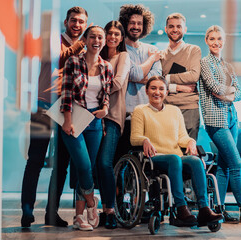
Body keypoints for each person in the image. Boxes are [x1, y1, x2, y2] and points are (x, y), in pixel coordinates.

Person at [20, 6, 88, 228]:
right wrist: (81, 44)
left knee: (62, 165)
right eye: (74, 20)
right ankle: (27, 211)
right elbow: (59, 58)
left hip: (67, 108)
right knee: (36, 160)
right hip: (43, 104)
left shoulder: (84, 48)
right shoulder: (52, 40)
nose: (77, 25)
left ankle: (52, 213)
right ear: (66, 21)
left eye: (81, 22)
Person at [130, 76, 223, 227]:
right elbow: (134, 138)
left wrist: (191, 141)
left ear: (166, 92)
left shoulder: (174, 111)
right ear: (146, 91)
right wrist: (144, 140)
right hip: (155, 157)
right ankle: (181, 208)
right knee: (174, 158)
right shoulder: (140, 111)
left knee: (195, 160)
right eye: (153, 88)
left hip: (176, 158)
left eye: (161, 89)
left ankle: (204, 209)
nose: (157, 92)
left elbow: (182, 138)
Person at [60, 25, 112, 231]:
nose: (96, 41)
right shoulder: (73, 62)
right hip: (74, 119)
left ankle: (79, 216)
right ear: (85, 39)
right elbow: (65, 92)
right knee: (82, 165)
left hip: (95, 121)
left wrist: (105, 109)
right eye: (92, 37)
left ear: (104, 41)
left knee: (88, 169)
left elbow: (106, 92)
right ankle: (92, 202)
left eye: (100, 37)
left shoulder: (106, 66)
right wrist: (67, 119)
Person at [199, 25, 241, 224]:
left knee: (224, 166)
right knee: (236, 163)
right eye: (211, 38)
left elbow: (240, 92)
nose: (216, 42)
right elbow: (213, 86)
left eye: (219, 38)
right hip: (215, 120)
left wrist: (226, 94)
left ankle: (218, 210)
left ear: (224, 40)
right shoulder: (205, 62)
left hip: (232, 118)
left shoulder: (227, 65)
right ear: (206, 41)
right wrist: (230, 92)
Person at [116, 4, 162, 159]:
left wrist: (136, 75)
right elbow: (136, 74)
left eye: (139, 23)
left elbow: (156, 79)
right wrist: (151, 59)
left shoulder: (150, 48)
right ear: (125, 24)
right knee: (120, 158)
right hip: (125, 115)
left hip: (147, 115)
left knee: (147, 161)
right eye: (132, 23)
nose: (136, 27)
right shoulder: (120, 49)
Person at [97, 20, 131, 229]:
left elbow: (117, 83)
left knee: (104, 163)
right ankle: (98, 210)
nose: (112, 37)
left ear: (121, 38)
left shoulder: (123, 57)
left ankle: (110, 210)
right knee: (94, 166)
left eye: (117, 34)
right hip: (92, 116)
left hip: (112, 116)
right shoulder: (97, 56)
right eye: (109, 33)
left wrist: (91, 91)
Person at [160, 13, 201, 140]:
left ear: (185, 29)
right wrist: (179, 87)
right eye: (171, 26)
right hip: (167, 108)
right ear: (166, 29)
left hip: (189, 107)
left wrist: (167, 78)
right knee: (170, 151)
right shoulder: (161, 55)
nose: (175, 29)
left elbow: (194, 76)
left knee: (189, 154)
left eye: (179, 26)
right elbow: (157, 83)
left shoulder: (193, 50)